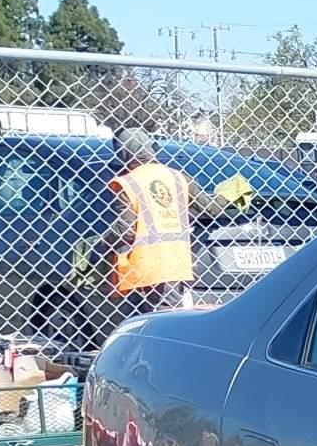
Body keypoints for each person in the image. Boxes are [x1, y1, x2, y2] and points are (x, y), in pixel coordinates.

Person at [91, 128, 249, 328]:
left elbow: (126, 229)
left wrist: (100, 243)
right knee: (166, 322)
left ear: (123, 153)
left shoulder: (128, 183)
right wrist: (230, 191)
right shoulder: (177, 177)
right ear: (150, 149)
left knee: (148, 325)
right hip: (176, 262)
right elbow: (211, 209)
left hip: (145, 267)